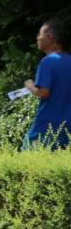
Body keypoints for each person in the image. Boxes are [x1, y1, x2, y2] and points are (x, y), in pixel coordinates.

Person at [23, 17, 71, 149]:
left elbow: (43, 92)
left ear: (50, 38)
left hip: (46, 126)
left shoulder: (48, 61)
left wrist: (30, 85)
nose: (37, 38)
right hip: (68, 127)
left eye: (40, 34)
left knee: (27, 160)